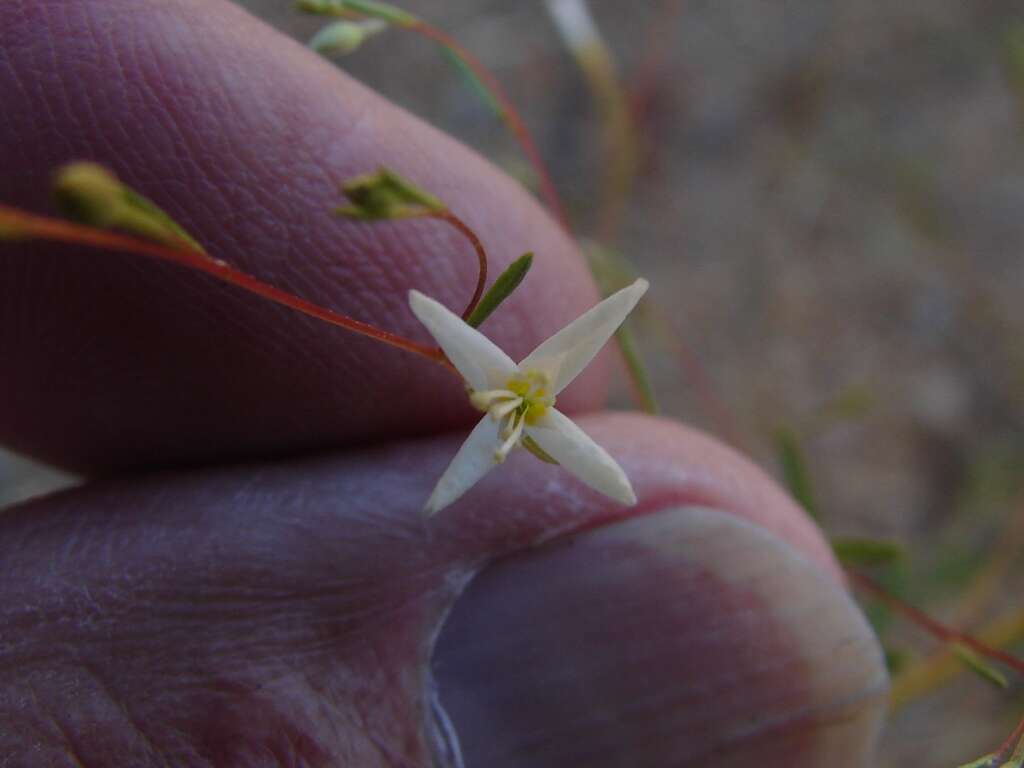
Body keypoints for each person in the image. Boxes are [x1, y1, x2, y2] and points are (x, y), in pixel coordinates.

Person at [0, 1, 888, 765]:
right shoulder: (503, 402)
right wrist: (507, 400)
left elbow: (555, 398)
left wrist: (515, 403)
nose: (528, 406)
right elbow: (502, 388)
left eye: (526, 406)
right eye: (522, 405)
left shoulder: (518, 407)